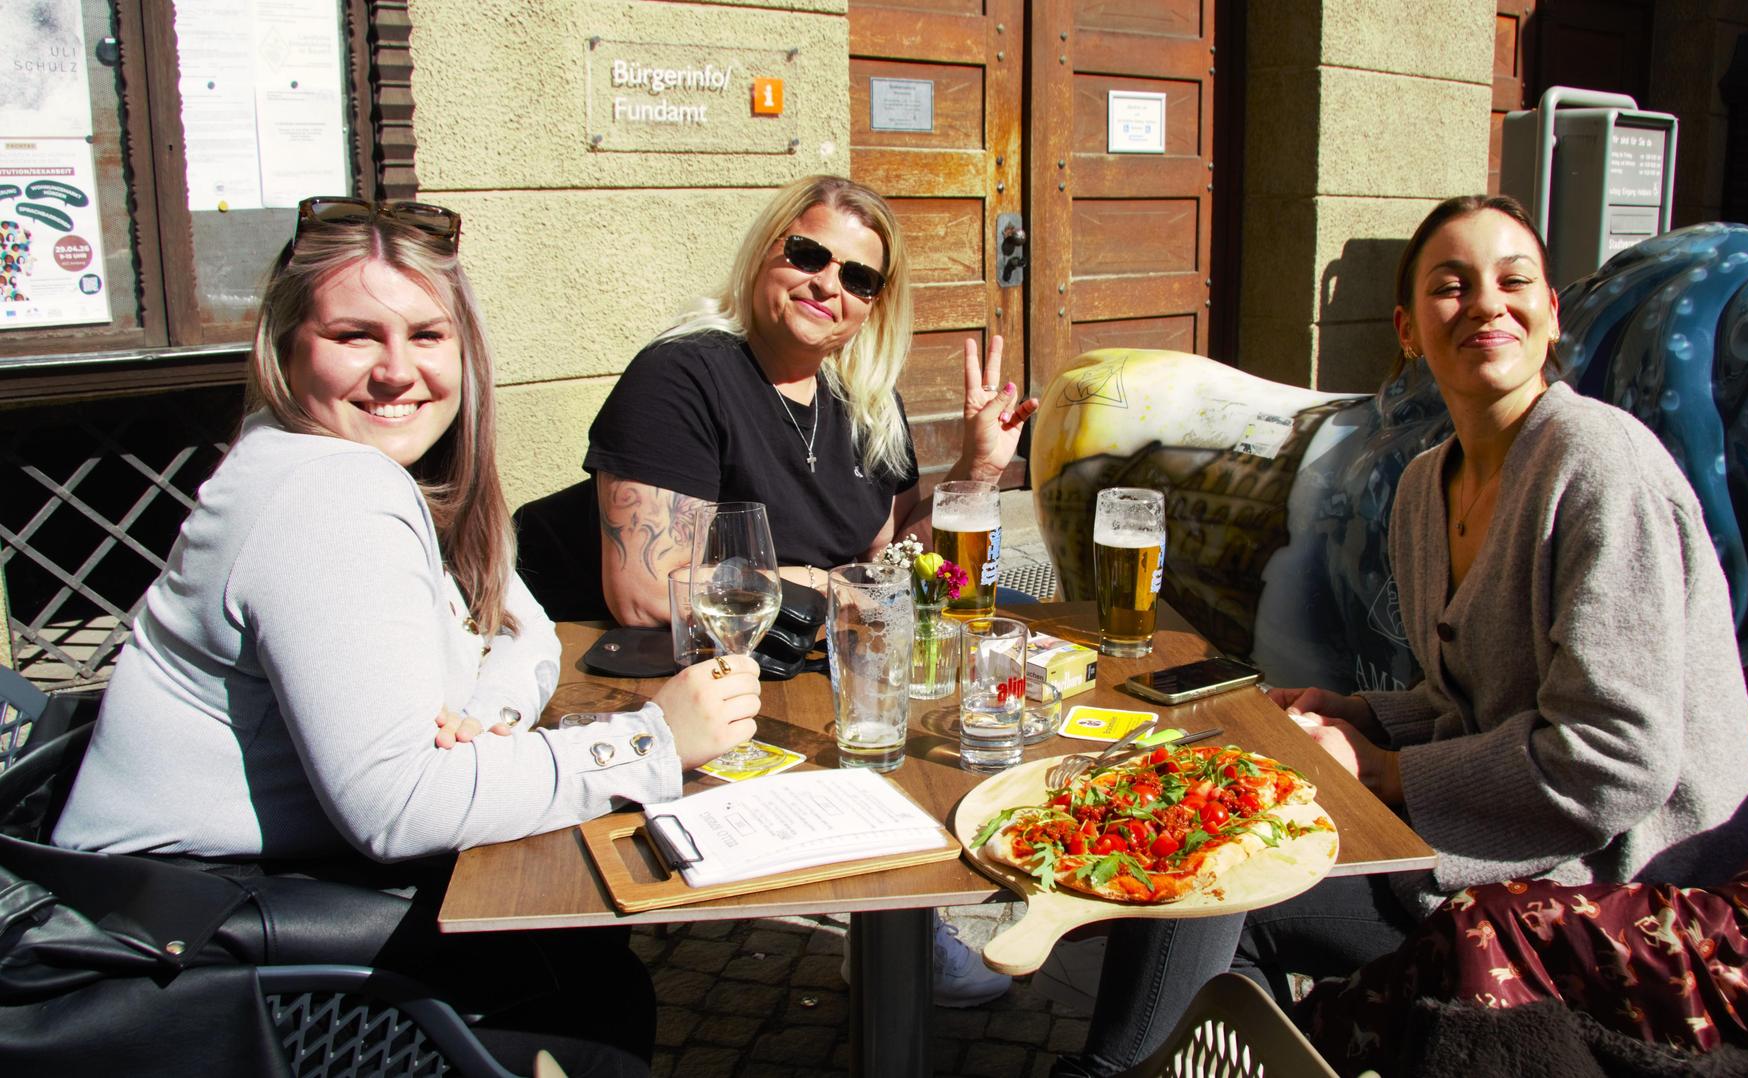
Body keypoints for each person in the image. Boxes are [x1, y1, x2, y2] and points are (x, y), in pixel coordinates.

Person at [52, 197, 762, 1075]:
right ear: (285, 348)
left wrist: (485, 713)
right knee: (590, 1010)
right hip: (184, 954)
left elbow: (525, 624)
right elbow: (398, 807)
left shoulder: (399, 474)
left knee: (590, 972)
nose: (397, 371)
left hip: (243, 899)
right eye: (356, 336)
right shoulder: (328, 492)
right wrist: (652, 742)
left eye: (427, 336)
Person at [1058, 194, 1748, 1074]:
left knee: (1222, 877)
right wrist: (1356, 710)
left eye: (1514, 282)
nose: (1485, 305)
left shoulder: (1597, 465)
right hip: (1506, 831)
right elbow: (1461, 701)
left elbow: (1616, 760)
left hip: (1623, 877)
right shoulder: (1431, 483)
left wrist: (1386, 770)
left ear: (1551, 316)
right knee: (1204, 849)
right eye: (1451, 286)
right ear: (1406, 327)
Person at [584, 173, 1036, 627]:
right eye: (808, 255)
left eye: (858, 278)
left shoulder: (869, 402)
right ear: (764, 251)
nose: (828, 285)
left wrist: (978, 469)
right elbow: (644, 597)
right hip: (677, 670)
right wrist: (821, 584)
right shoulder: (680, 377)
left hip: (813, 650)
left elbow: (892, 561)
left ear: (874, 306)